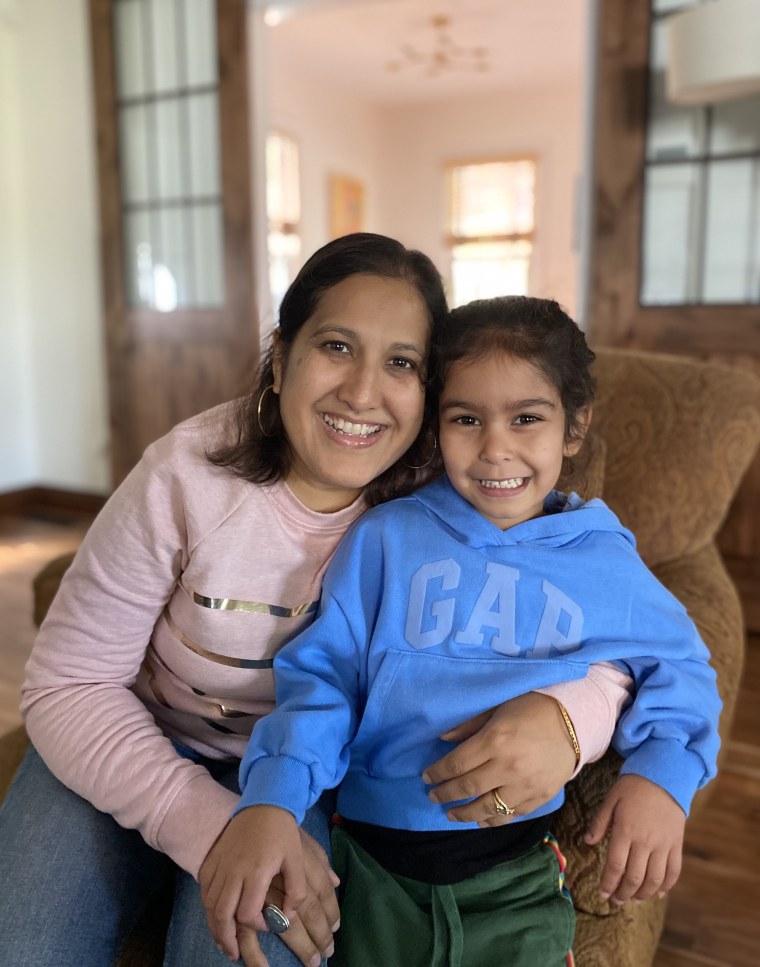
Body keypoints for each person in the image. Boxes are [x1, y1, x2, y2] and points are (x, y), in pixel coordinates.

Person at [0, 238, 628, 967]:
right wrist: (210, 825)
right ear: (281, 355)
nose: (362, 394)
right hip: (133, 735)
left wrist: (570, 719)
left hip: (302, 770)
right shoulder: (185, 476)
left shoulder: (454, 489)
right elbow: (68, 682)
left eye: (402, 363)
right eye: (336, 346)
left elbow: (608, 619)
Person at [202, 296, 721, 967]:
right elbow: (323, 677)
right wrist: (272, 795)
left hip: (514, 881)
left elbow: (683, 666)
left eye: (527, 418)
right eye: (466, 419)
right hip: (367, 869)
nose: (495, 448)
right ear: (434, 425)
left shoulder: (604, 561)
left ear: (574, 426)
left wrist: (663, 775)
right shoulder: (388, 537)